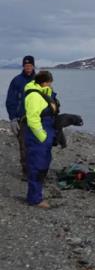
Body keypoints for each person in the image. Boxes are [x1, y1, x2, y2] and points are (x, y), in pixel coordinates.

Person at [23, 70, 58, 208]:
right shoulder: (34, 96)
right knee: (36, 166)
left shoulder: (43, 94)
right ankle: (34, 199)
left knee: (43, 165)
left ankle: (37, 195)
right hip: (37, 137)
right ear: (44, 82)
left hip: (45, 134)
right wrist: (43, 137)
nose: (51, 85)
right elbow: (33, 120)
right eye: (49, 83)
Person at [5, 55, 36, 176]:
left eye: (30, 65)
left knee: (37, 146)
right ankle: (26, 172)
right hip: (21, 119)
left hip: (37, 119)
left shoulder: (39, 80)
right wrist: (12, 118)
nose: (28, 67)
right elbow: (10, 101)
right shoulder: (16, 80)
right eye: (26, 65)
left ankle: (37, 170)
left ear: (33, 66)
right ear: (23, 66)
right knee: (24, 146)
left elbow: (48, 97)